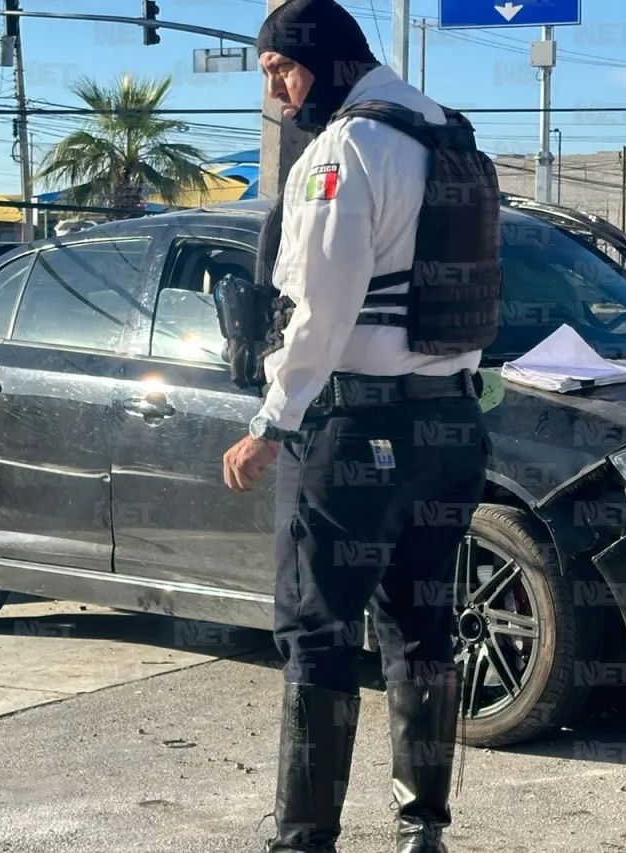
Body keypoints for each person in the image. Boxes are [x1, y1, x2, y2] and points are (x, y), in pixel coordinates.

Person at [220, 2, 500, 851]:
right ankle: (424, 831)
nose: (278, 94)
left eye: (281, 71)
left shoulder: (344, 149)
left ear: (321, 54)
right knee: (422, 625)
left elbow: (323, 308)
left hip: (353, 436)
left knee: (315, 633)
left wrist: (272, 419)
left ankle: (302, 840)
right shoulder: (446, 132)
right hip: (450, 427)